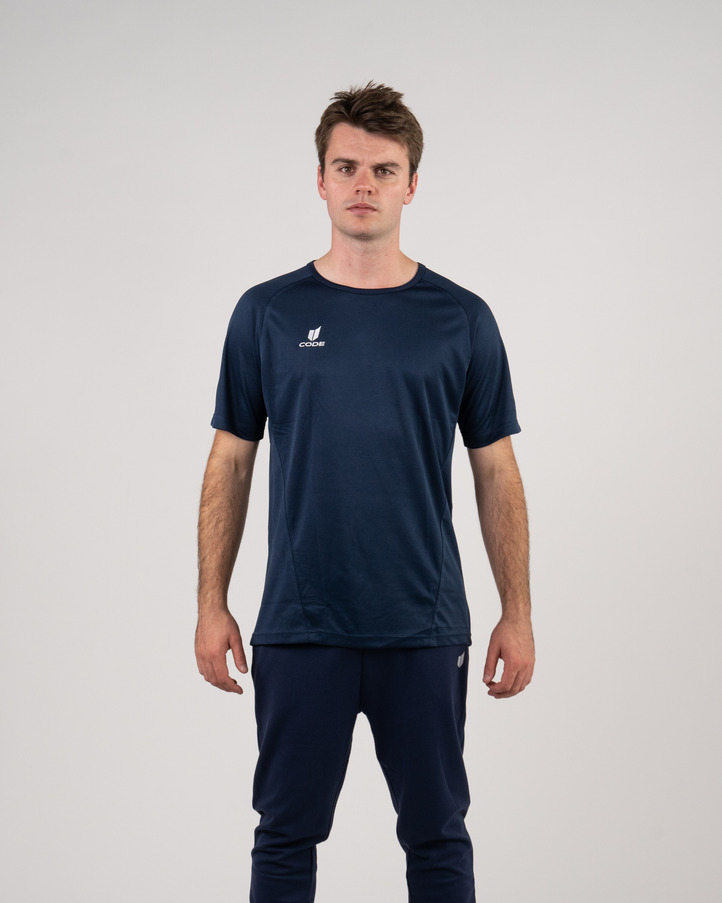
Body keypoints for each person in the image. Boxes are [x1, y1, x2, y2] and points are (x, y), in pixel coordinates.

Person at [195, 81, 535, 903]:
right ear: (319, 179)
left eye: (384, 170)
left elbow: (496, 469)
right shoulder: (267, 313)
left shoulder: (461, 318)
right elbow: (230, 461)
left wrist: (517, 612)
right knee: (284, 835)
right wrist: (211, 603)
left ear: (412, 184)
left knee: (437, 836)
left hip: (422, 625)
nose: (364, 185)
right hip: (300, 624)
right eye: (346, 167)